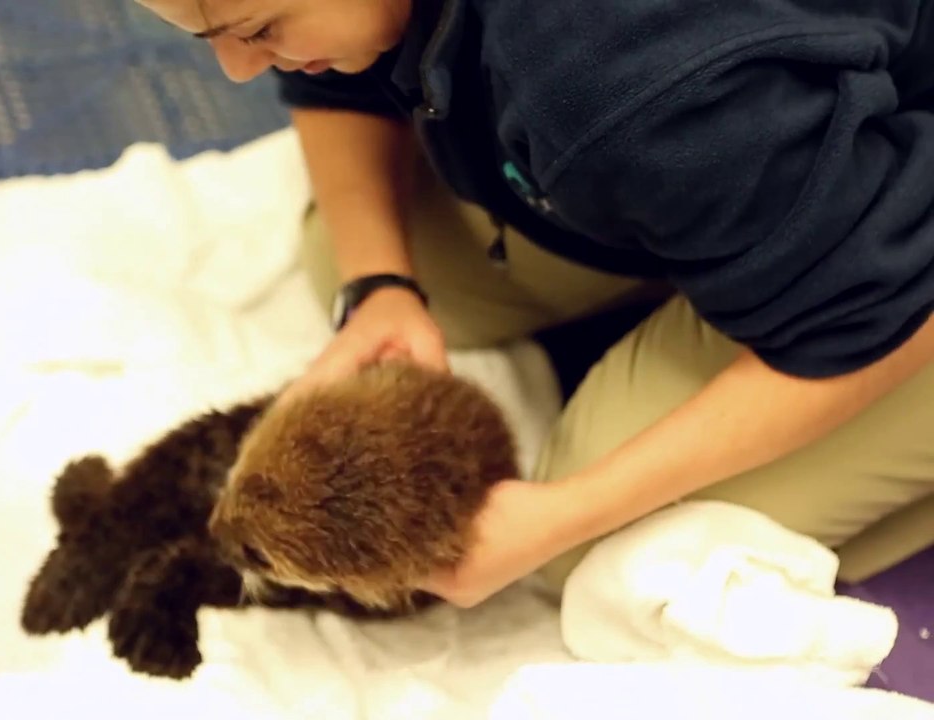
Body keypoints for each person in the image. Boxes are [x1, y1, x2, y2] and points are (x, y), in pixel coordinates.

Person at [139, 0, 934, 607]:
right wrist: (378, 285)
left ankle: (757, 230)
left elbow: (870, 311)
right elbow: (333, 73)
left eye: (260, 28)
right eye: (211, 38)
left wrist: (567, 513)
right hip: (685, 136)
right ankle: (740, 216)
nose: (236, 70)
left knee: (591, 559)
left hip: (897, 268)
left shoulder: (611, 77)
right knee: (341, 256)